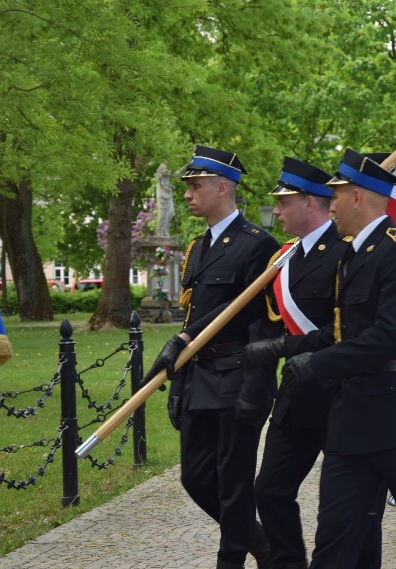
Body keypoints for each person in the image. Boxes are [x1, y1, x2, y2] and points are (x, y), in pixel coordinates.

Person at [251, 148, 396, 569]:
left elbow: (392, 336)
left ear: (357, 196)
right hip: (352, 421)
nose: (329, 204)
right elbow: (340, 332)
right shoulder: (351, 256)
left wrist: (318, 365)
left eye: (335, 195)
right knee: (334, 539)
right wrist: (282, 348)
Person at [140, 145, 280, 569]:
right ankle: (268, 548)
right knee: (196, 477)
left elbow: (252, 314)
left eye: (195, 186)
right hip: (201, 378)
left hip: (238, 377)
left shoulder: (259, 245)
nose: (187, 195)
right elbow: (194, 313)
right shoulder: (198, 247)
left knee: (234, 483)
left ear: (223, 188)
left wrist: (184, 340)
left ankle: (231, 561)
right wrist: (180, 383)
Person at [242, 157, 380, 569]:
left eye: (284, 203)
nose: (277, 211)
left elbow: (350, 325)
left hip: (343, 393)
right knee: (269, 490)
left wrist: (284, 347)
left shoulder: (347, 251)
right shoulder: (283, 259)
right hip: (298, 394)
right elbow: (267, 321)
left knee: (352, 506)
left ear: (310, 203)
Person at [155, 160, 175, 236]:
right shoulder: (159, 177)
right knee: (162, 215)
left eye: (166, 168)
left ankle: (165, 230)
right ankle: (160, 232)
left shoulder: (166, 175)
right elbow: (162, 184)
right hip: (162, 197)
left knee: (171, 213)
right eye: (164, 168)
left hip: (168, 196)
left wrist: (186, 166)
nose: (166, 170)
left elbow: (176, 174)